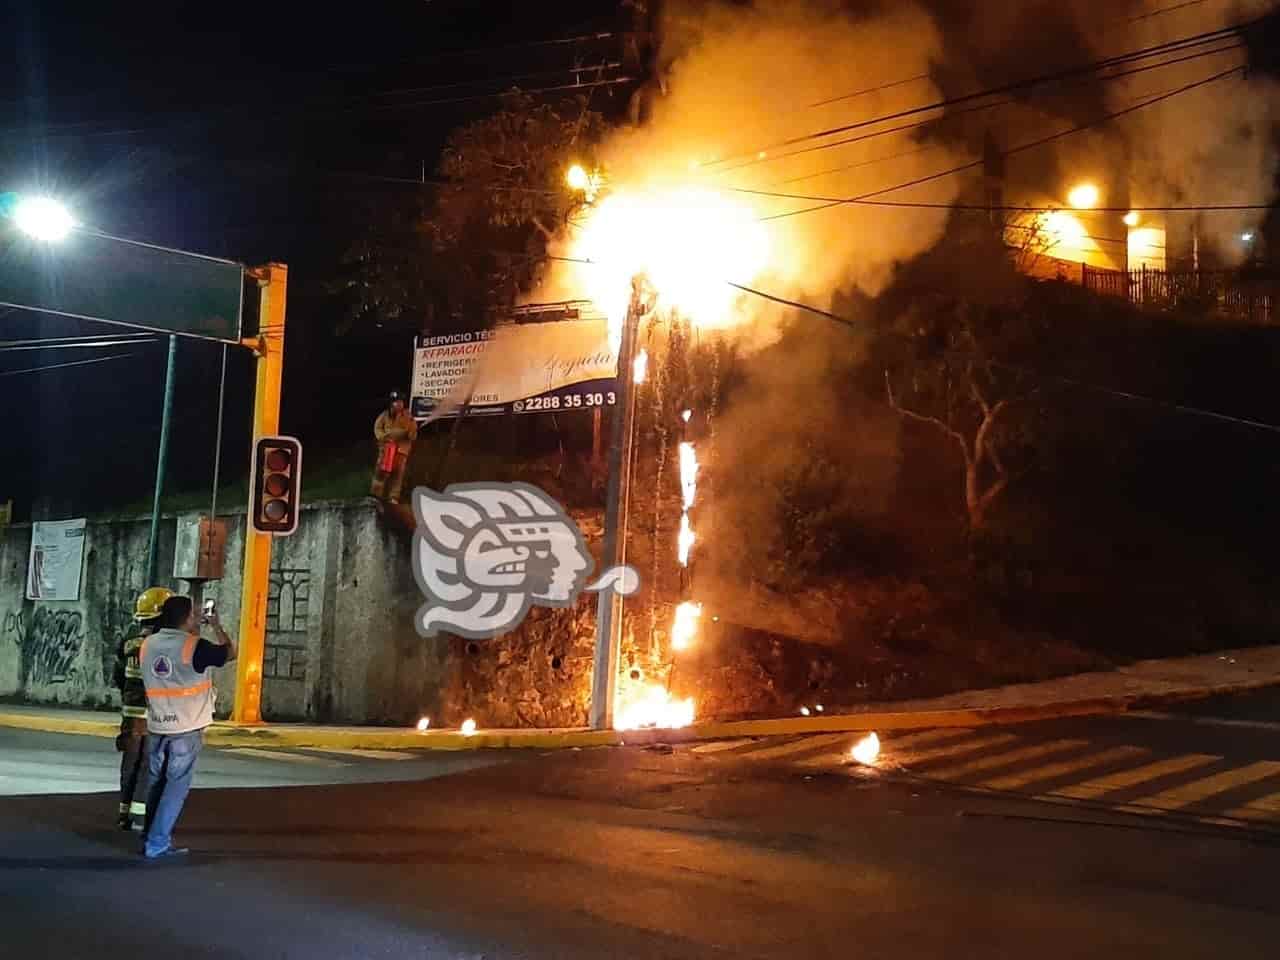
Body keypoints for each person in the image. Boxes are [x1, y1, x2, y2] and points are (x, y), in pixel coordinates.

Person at [139, 594, 236, 860]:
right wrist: (216, 625)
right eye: (194, 614)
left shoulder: (147, 644)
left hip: (158, 725)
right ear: (188, 618)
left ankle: (149, 835)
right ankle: (157, 843)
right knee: (175, 787)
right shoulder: (194, 646)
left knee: (156, 784)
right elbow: (230, 653)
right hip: (186, 727)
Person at [113, 586, 172, 831]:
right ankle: (140, 817)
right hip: (152, 716)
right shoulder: (163, 646)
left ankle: (124, 814)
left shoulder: (128, 643)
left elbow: (119, 678)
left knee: (130, 763)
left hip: (130, 714)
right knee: (149, 765)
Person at [371, 390, 418, 504]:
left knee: (398, 475)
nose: (399, 404)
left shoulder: (408, 417)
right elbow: (377, 429)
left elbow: (413, 434)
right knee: (381, 473)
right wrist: (384, 437)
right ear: (391, 403)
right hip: (386, 450)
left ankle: (393, 497)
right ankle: (375, 496)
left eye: (401, 401)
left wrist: (410, 431)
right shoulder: (384, 416)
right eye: (396, 402)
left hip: (401, 451)